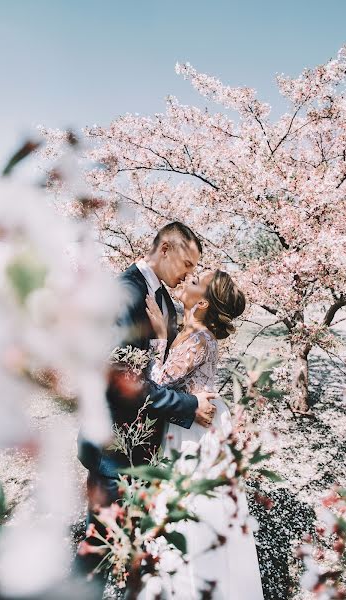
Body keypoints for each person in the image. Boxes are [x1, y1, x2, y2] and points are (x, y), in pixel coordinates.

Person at [75, 222, 217, 596]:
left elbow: (164, 366)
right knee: (100, 544)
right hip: (116, 447)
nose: (190, 274)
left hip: (147, 446)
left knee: (133, 547)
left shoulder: (164, 299)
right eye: (187, 263)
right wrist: (189, 406)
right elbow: (121, 381)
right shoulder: (125, 293)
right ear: (166, 249)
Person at [141, 269, 264, 599]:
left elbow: (159, 383)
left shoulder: (198, 339)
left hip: (192, 430)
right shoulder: (196, 331)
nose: (187, 278)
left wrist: (158, 339)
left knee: (190, 507)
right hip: (197, 420)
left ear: (205, 302)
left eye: (195, 281)